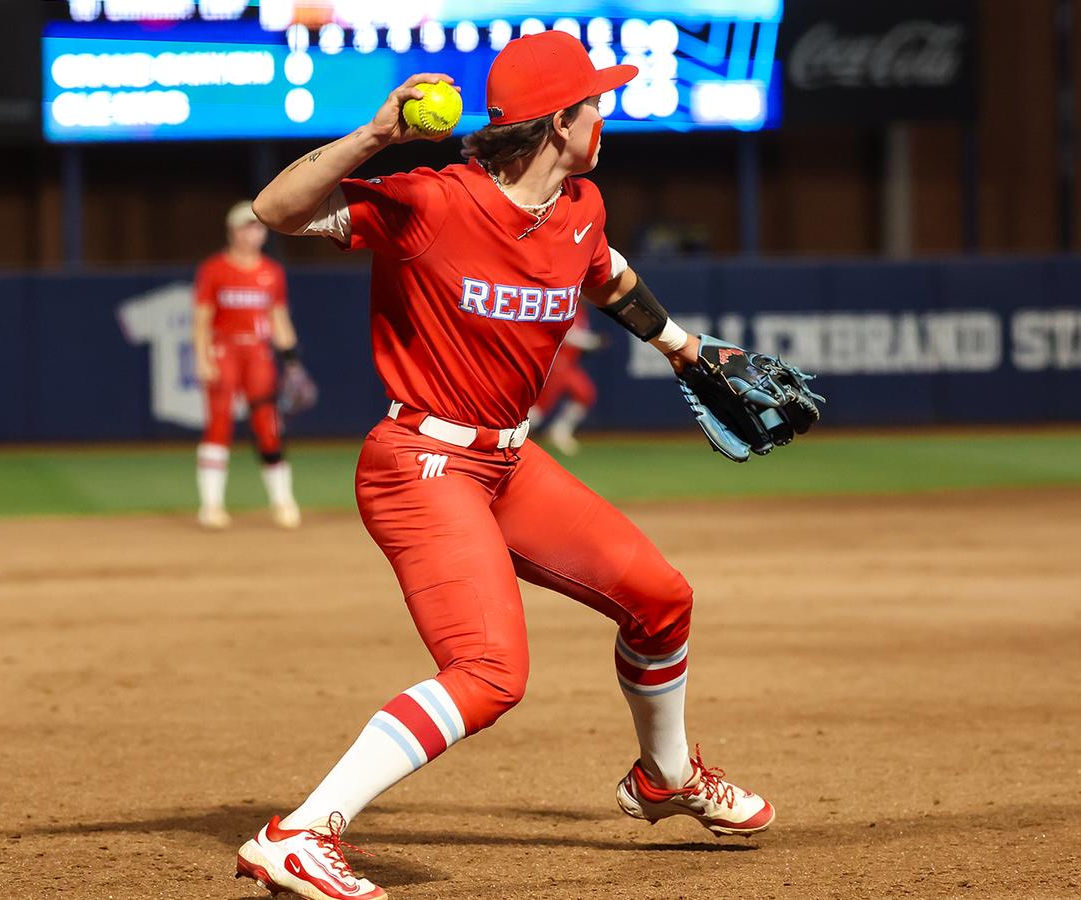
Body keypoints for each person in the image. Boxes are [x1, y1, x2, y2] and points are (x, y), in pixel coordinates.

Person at [236, 32, 773, 900]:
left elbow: (604, 273)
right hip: (421, 462)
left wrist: (683, 350)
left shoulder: (581, 206)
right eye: (595, 104)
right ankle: (299, 833)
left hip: (510, 466)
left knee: (661, 597)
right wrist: (375, 136)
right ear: (560, 122)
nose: (607, 116)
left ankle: (666, 778)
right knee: (489, 673)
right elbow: (277, 211)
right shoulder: (432, 203)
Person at [192, 201, 315, 529]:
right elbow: (202, 320)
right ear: (233, 231)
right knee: (218, 424)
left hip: (258, 355)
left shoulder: (270, 272)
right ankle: (211, 506)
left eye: (258, 226)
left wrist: (292, 362)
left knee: (269, 427)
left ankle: (283, 502)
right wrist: (203, 358)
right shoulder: (215, 269)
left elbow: (279, 319)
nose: (254, 232)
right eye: (247, 226)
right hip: (224, 352)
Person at [528, 302, 601, 455]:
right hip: (556, 364)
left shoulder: (581, 309)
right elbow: (568, 334)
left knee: (585, 394)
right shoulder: (563, 303)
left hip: (569, 365)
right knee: (541, 408)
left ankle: (560, 431)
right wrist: (592, 342)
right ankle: (513, 437)